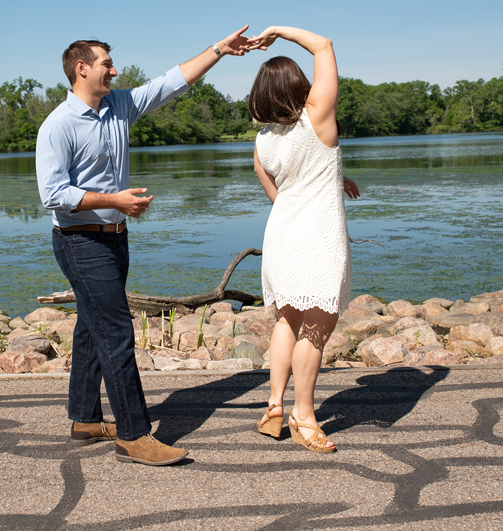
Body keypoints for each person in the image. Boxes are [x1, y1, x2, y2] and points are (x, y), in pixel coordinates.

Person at [37, 27, 255, 466]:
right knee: (117, 334)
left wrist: (219, 50)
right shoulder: (57, 125)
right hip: (80, 242)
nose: (114, 71)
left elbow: (172, 81)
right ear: (81, 69)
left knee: (90, 325)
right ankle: (135, 436)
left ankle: (85, 418)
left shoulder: (118, 106)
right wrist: (114, 200)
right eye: (106, 65)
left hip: (115, 238)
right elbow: (53, 193)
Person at [241, 25, 354, 454]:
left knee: (287, 318)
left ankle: (274, 406)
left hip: (282, 233)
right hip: (319, 235)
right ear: (300, 87)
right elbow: (323, 44)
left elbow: (277, 187)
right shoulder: (318, 116)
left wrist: (334, 176)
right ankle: (303, 416)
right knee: (317, 326)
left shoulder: (262, 140)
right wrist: (276, 32)